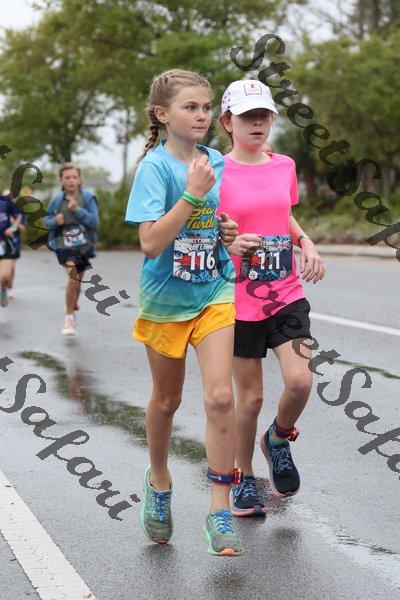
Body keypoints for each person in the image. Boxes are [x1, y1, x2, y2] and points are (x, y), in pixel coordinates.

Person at [125, 69, 244, 556]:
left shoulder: (215, 160)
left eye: (206, 107)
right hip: (165, 302)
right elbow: (151, 243)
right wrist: (192, 194)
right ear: (162, 114)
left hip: (214, 290)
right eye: (190, 107)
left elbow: (210, 222)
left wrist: (226, 230)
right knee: (167, 401)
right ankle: (159, 480)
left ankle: (219, 510)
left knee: (220, 397)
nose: (202, 116)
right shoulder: (154, 169)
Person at [217, 79, 326, 516]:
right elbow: (203, 229)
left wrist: (306, 241)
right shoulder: (215, 171)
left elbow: (283, 214)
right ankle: (243, 475)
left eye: (264, 115)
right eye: (247, 116)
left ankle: (278, 438)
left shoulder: (284, 165)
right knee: (251, 398)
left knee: (300, 381)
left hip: (286, 293)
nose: (257, 122)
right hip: (238, 298)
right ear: (228, 122)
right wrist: (229, 243)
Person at [45, 163, 99, 335]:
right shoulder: (57, 200)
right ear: (61, 180)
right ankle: (69, 319)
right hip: (64, 246)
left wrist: (78, 210)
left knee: (77, 282)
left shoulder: (88, 197)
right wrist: (55, 221)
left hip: (83, 246)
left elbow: (94, 222)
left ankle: (72, 301)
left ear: (80, 179)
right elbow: (47, 222)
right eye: (67, 177)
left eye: (75, 177)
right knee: (73, 278)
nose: (71, 180)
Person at [1, 188, 27, 300]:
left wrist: (14, 225)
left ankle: (8, 287)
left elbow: (22, 228)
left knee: (9, 269)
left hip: (13, 242)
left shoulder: (17, 211)